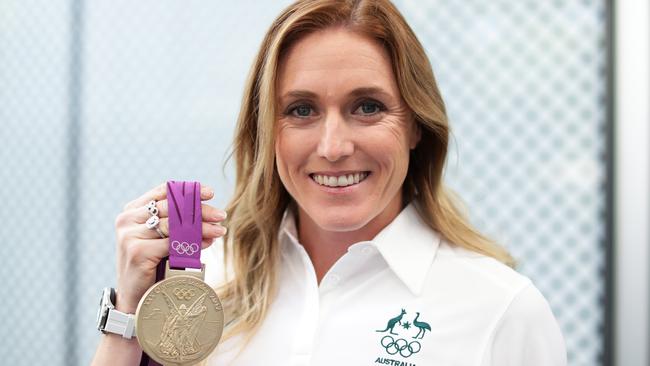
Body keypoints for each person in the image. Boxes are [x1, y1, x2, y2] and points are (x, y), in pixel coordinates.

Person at [92, 0, 567, 365]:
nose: (334, 146)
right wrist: (129, 312)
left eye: (367, 107)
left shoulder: (500, 309)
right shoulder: (200, 281)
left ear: (416, 125)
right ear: (266, 130)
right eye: (302, 110)